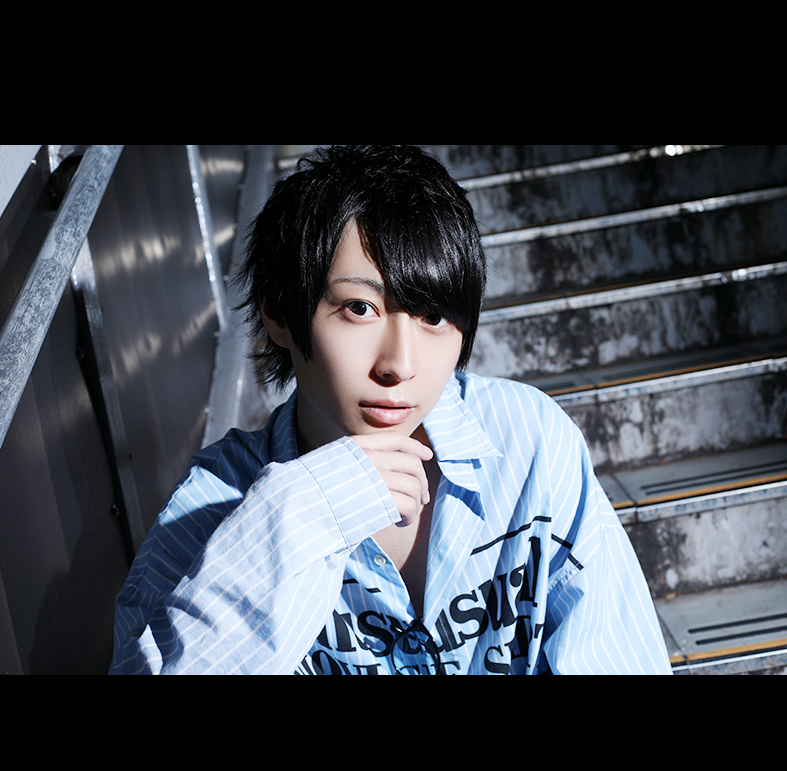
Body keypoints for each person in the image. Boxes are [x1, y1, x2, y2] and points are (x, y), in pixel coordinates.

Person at [109, 144, 673, 675]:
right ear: (279, 314)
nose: (399, 365)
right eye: (360, 308)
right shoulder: (211, 507)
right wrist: (302, 516)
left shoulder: (527, 441)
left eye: (433, 317)